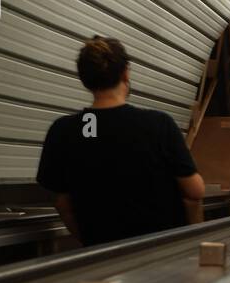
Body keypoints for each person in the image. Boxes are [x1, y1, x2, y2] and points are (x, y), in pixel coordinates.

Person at [37, 36, 205, 246]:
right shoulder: (158, 124)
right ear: (125, 72)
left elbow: (62, 202)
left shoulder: (62, 131)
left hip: (102, 256)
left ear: (84, 79)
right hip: (161, 251)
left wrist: (91, 242)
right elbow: (194, 192)